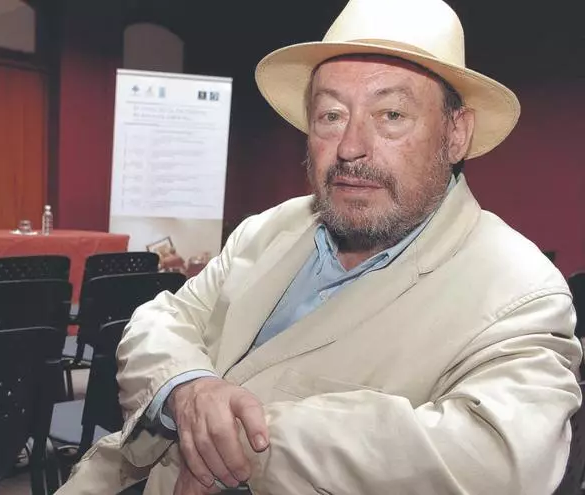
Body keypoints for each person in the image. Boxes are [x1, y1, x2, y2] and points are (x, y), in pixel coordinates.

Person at [56, 0, 583, 493]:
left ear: (456, 133)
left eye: (391, 115)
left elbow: (499, 459)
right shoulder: (270, 228)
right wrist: (189, 389)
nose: (350, 147)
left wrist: (241, 442)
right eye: (331, 115)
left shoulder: (519, 289)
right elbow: (162, 318)